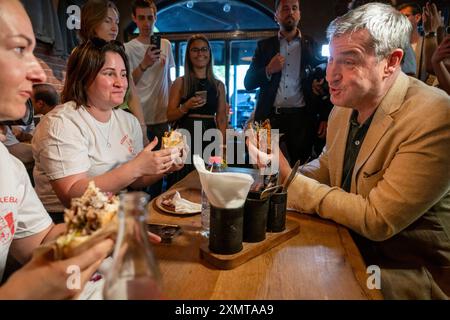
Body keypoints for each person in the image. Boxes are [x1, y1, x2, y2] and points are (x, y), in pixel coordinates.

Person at [252, 3, 450, 299]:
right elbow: (325, 168)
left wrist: (288, 178)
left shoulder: (436, 115)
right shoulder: (342, 111)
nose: (331, 75)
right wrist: (273, 177)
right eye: (331, 60)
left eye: (349, 62)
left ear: (391, 62)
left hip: (407, 275)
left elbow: (376, 219)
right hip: (346, 247)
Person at [0, 0, 113, 299]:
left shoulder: (7, 166)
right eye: (19, 49)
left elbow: (41, 241)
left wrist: (104, 226)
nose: (39, 73)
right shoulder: (60, 123)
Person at [32, 39, 183, 223]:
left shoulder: (128, 121)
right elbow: (72, 197)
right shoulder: (61, 122)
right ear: (84, 77)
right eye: (109, 74)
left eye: (123, 74)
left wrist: (165, 165)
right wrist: (136, 167)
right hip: (66, 223)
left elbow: (135, 180)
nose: (120, 83)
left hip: (115, 214)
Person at [244, 0, 325, 166]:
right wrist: (268, 69)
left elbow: (324, 78)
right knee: (265, 166)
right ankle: (265, 192)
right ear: (276, 16)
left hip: (302, 118)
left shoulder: (312, 45)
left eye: (294, 8)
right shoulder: (264, 47)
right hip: (269, 117)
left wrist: (324, 115)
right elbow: (248, 82)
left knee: (301, 167)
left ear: (299, 14)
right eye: (285, 9)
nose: (290, 12)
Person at [79, 0, 149, 146]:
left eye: (116, 22)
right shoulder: (81, 55)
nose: (114, 27)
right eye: (107, 21)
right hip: (90, 121)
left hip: (120, 119)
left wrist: (142, 128)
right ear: (92, 22)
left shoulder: (119, 53)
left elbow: (132, 93)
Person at [124, 0, 175, 196]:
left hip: (162, 117)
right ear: (135, 19)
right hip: (138, 119)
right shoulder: (127, 49)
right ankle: (141, 213)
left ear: (156, 18)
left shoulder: (166, 45)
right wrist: (144, 64)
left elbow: (169, 81)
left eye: (150, 17)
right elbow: (127, 85)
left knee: (161, 172)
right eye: (142, 18)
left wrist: (172, 111)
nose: (146, 23)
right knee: (141, 172)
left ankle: (157, 212)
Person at [167, 34, 228, 180]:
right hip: (185, 135)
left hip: (210, 135)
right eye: (195, 50)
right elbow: (169, 116)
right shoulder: (180, 83)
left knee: (210, 179)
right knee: (182, 178)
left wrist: (223, 147)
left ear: (209, 53)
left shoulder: (219, 85)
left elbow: (221, 119)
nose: (200, 53)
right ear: (188, 54)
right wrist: (185, 107)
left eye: (204, 49)